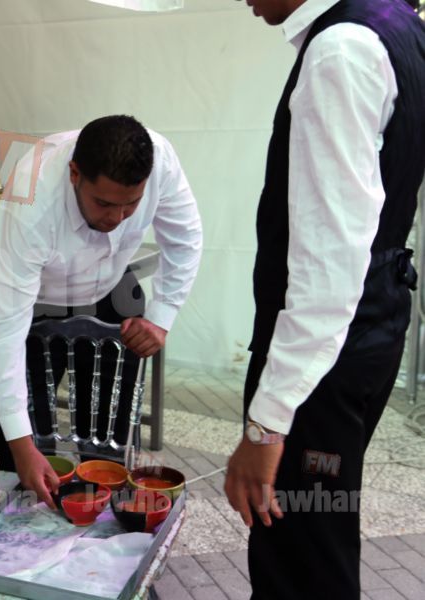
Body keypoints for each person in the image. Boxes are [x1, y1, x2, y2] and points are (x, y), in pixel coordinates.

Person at [224, 1, 425, 597]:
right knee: (319, 530)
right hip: (375, 322)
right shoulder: (400, 24)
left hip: (329, 356)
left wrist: (266, 426)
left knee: (301, 557)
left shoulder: (341, 49)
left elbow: (329, 263)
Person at [0, 115, 203, 507]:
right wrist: (21, 444)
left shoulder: (160, 160)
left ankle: (102, 513)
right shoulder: (30, 199)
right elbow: (3, 330)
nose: (116, 219)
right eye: (104, 203)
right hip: (38, 301)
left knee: (106, 440)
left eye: (131, 205)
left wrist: (162, 316)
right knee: (25, 449)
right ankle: (17, 522)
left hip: (112, 288)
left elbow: (185, 239)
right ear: (74, 174)